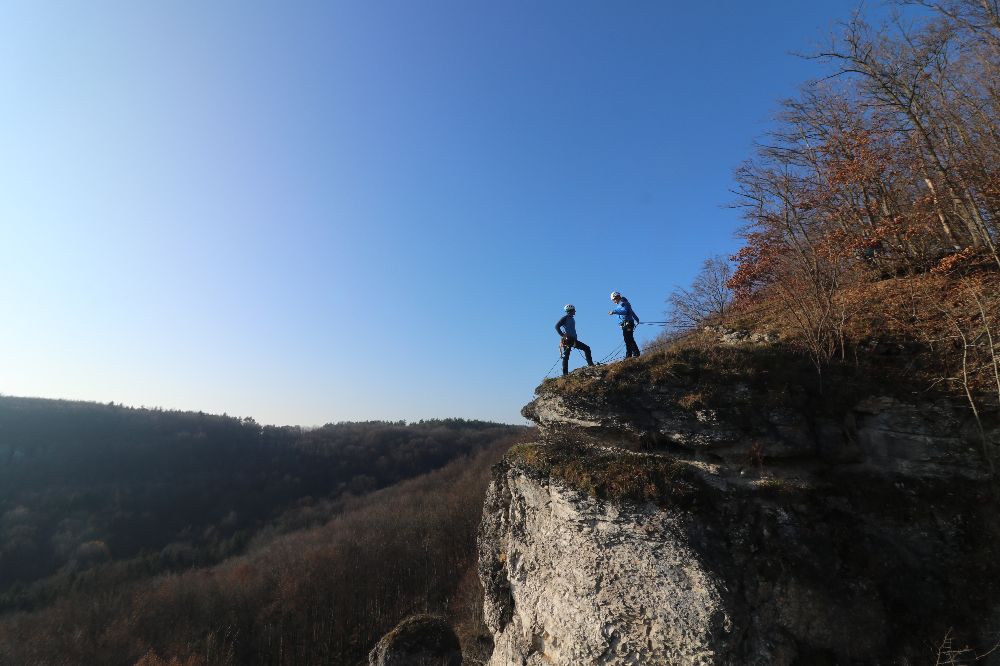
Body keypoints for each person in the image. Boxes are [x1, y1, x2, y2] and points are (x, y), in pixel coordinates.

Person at [555, 304, 594, 376]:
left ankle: (591, 365)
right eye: (574, 310)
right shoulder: (565, 318)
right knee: (567, 356)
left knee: (586, 349)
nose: (575, 312)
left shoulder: (571, 318)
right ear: (571, 311)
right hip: (567, 340)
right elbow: (557, 326)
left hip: (572, 339)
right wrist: (563, 336)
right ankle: (565, 374)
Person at [609, 291, 641, 358]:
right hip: (627, 323)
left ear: (617, 297)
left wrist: (614, 311)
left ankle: (630, 355)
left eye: (613, 300)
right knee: (629, 339)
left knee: (628, 339)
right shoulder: (624, 303)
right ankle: (635, 353)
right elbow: (631, 312)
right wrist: (636, 319)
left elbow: (625, 311)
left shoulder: (623, 303)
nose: (613, 301)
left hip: (627, 323)